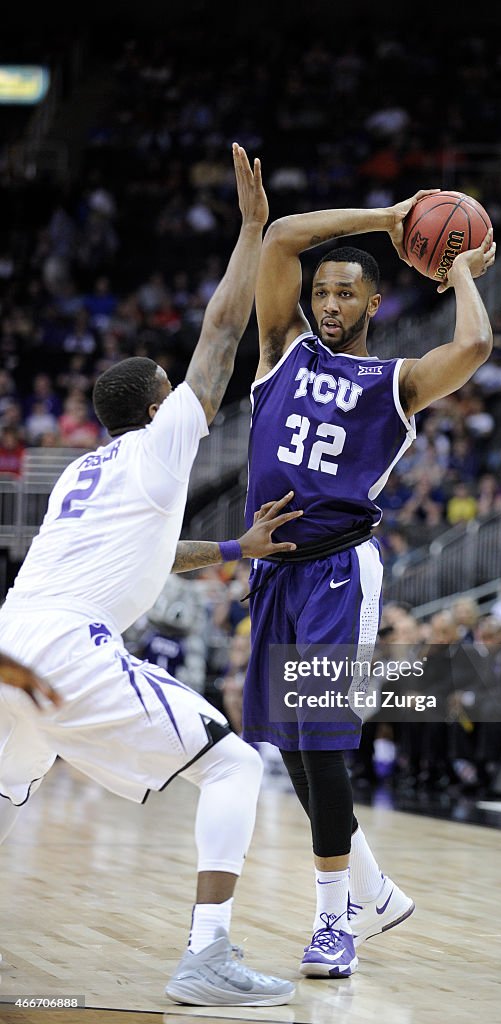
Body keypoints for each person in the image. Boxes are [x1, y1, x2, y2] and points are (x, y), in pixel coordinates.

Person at [0, 145, 298, 1008]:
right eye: (175, 391)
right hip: (64, 644)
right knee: (234, 767)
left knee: (8, 789)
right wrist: (250, 235)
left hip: (11, 634)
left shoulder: (85, 473)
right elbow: (220, 334)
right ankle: (207, 956)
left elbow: (154, 556)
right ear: (159, 402)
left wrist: (236, 551)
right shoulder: (167, 439)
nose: (186, 396)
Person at [240, 188, 495, 977]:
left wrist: (462, 278)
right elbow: (280, 237)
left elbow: (477, 347)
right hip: (271, 573)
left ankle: (334, 923)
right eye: (322, 290)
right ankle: (373, 889)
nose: (328, 301)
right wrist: (386, 221)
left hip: (337, 573)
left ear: (375, 301)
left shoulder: (395, 380)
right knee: (289, 744)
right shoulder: (281, 350)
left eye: (345, 290)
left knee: (318, 740)